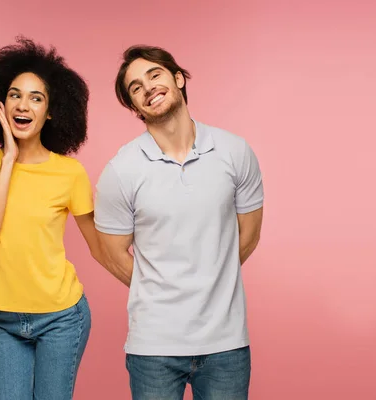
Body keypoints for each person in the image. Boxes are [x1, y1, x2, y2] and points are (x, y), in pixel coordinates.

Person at [94, 45, 264, 399]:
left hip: (226, 343)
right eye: (135, 87)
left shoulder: (234, 151)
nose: (148, 87)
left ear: (177, 77)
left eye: (154, 75)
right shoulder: (121, 171)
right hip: (153, 347)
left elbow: (247, 236)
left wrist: (210, 282)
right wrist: (161, 288)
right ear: (133, 106)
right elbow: (111, 253)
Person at [0, 37, 99, 400]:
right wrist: (8, 160)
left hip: (61, 318)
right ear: (0, 104)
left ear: (51, 111)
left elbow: (100, 245)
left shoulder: (70, 173)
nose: (23, 104)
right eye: (15, 94)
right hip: (3, 322)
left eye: (37, 98)